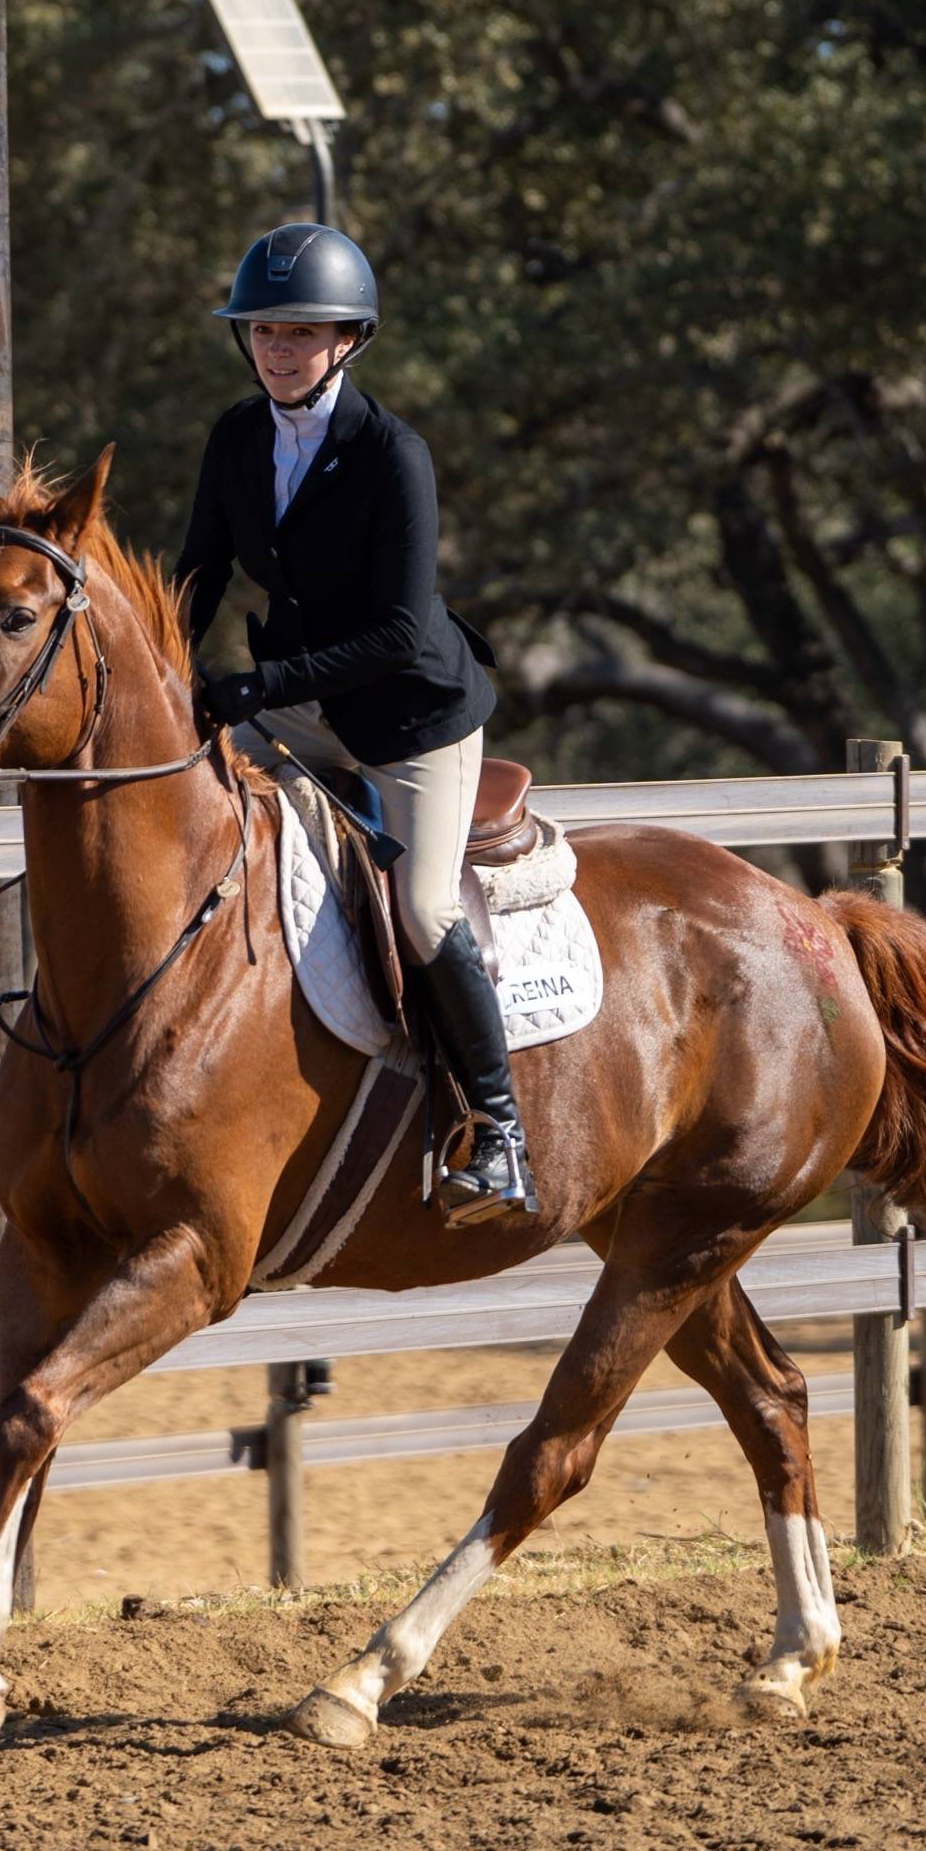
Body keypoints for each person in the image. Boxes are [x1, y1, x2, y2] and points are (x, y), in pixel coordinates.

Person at [175, 222, 532, 1224]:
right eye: (263, 332)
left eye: (302, 332)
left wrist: (259, 684)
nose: (279, 350)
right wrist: (169, 672)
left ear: (348, 340)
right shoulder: (236, 436)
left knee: (421, 908)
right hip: (294, 698)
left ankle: (498, 1131)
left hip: (409, 713)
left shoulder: (392, 455)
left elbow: (394, 630)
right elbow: (197, 573)